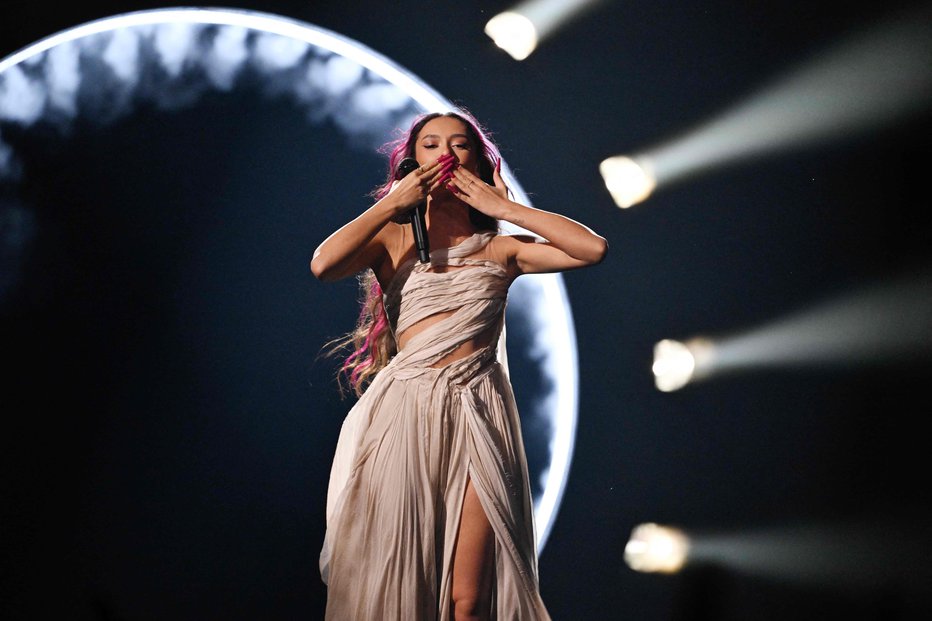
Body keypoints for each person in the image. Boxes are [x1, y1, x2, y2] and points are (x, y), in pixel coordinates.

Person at [310, 108, 607, 621]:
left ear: (477, 160)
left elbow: (591, 249)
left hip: (477, 411)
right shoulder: (392, 242)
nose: (445, 153)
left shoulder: (500, 249)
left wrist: (504, 207)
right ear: (411, 161)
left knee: (468, 600)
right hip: (406, 411)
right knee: (400, 578)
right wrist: (390, 206)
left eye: (459, 144)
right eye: (429, 144)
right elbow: (323, 265)